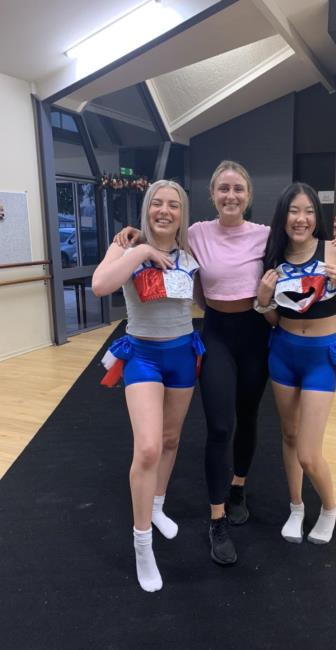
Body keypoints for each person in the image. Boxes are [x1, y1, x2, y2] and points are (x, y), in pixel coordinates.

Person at [114, 162, 336, 565]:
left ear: (248, 195)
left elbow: (302, 242)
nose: (231, 195)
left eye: (238, 189)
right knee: (220, 425)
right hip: (218, 334)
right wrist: (133, 235)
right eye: (223, 188)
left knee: (248, 416)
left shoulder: (265, 235)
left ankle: (238, 485)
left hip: (256, 332)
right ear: (212, 195)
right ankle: (217, 517)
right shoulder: (196, 233)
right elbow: (164, 233)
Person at [92, 180, 203, 592]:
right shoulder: (125, 246)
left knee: (171, 440)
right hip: (142, 356)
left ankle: (157, 506)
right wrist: (140, 252)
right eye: (157, 203)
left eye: (174, 204)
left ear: (182, 213)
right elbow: (100, 285)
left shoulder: (190, 253)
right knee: (149, 448)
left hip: (183, 354)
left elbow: (207, 295)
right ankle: (142, 544)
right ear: (146, 209)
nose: (164, 210)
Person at [255, 182, 336, 545]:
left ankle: (330, 508)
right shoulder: (274, 256)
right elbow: (273, 318)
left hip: (321, 357)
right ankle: (297, 506)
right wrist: (264, 300)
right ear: (283, 216)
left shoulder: (335, 251)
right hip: (283, 353)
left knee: (308, 452)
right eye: (293, 211)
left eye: (308, 211)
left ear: (317, 216)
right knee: (288, 435)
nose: (300, 219)